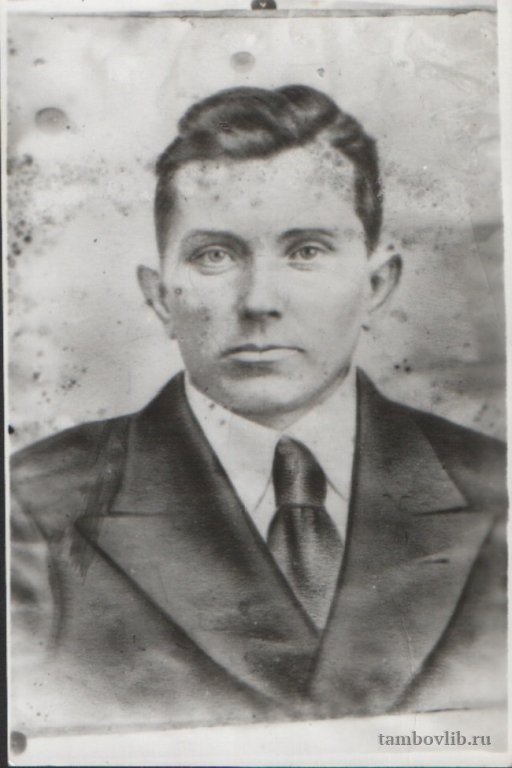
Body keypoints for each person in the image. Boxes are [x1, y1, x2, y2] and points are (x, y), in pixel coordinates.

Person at [10, 85, 507, 733]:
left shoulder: (496, 489)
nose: (259, 301)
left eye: (306, 250)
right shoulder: (34, 508)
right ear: (160, 297)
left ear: (376, 285)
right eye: (215, 255)